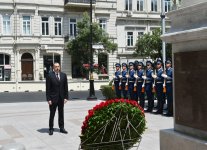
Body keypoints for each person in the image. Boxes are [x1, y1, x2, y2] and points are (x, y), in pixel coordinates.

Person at [46, 62, 69, 135]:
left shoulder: (63, 75)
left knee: (61, 113)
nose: (57, 68)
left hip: (61, 98)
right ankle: (51, 128)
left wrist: (66, 97)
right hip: (53, 99)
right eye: (55, 66)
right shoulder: (49, 76)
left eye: (58, 66)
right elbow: (48, 89)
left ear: (60, 67)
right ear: (53, 67)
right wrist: (48, 99)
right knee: (52, 114)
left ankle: (61, 128)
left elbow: (66, 87)